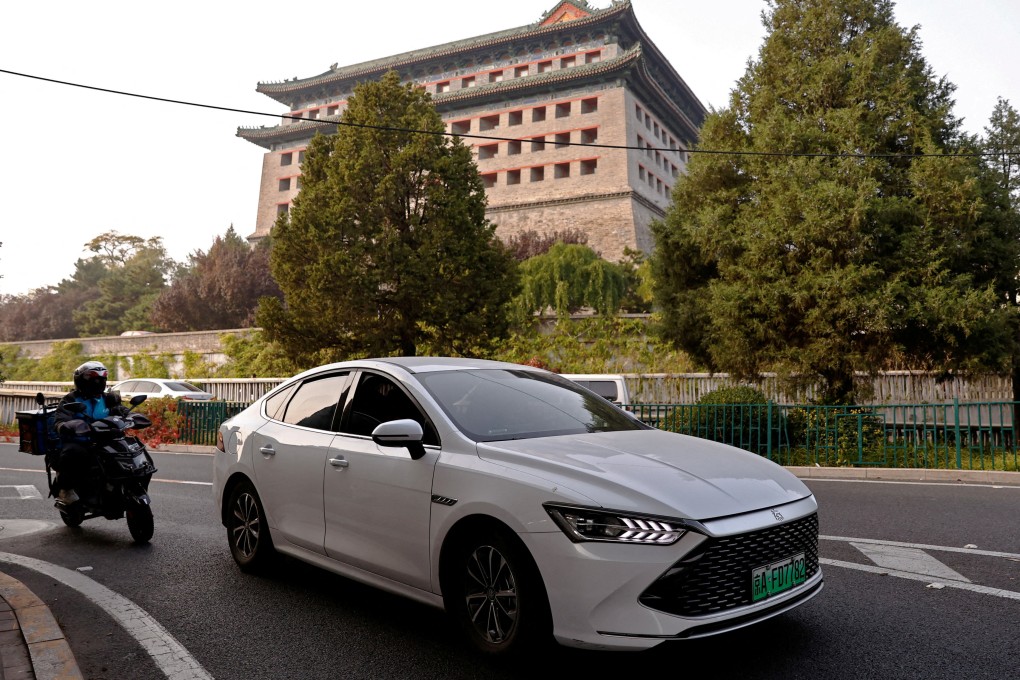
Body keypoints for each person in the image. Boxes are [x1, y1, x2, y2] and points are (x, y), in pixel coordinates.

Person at [52, 361, 127, 504]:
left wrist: (131, 416)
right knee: (73, 453)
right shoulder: (71, 399)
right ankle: (65, 490)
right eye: (94, 380)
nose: (99, 383)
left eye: (102, 380)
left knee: (131, 447)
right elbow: (60, 420)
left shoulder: (107, 398)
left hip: (106, 440)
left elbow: (120, 410)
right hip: (82, 441)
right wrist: (67, 425)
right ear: (82, 381)